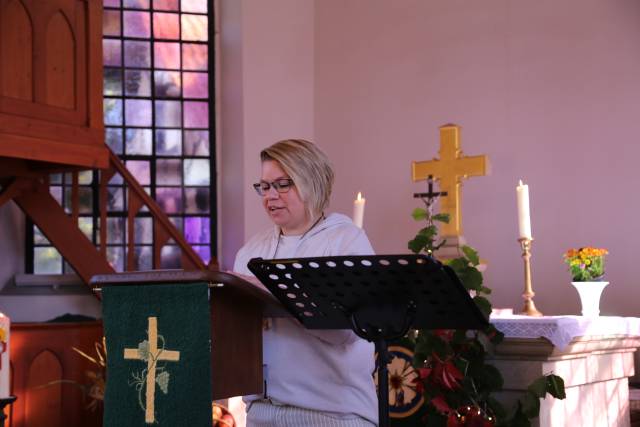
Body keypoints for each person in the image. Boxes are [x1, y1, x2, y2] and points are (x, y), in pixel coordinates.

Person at [233, 139, 378, 426]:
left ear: (312, 183)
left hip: (331, 414)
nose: (270, 196)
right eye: (264, 186)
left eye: (282, 184)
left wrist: (269, 289)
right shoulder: (251, 251)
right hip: (262, 413)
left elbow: (345, 332)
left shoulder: (345, 242)